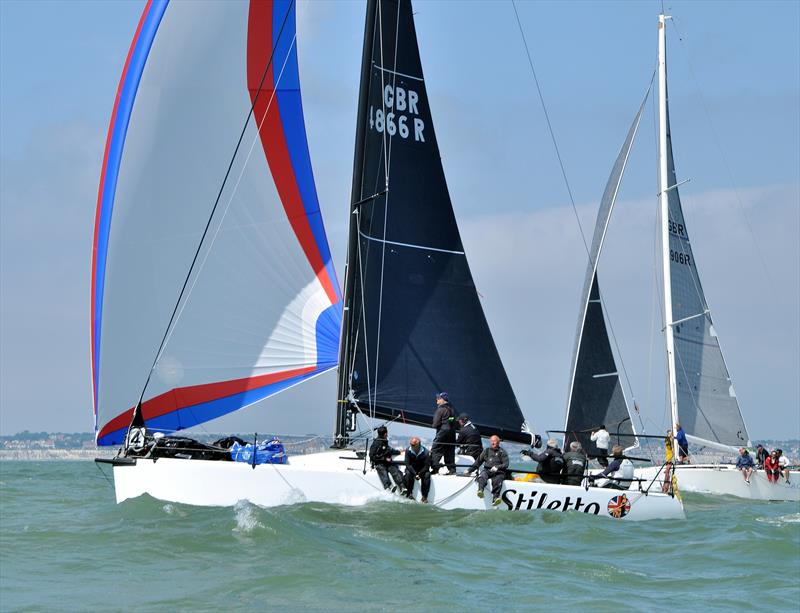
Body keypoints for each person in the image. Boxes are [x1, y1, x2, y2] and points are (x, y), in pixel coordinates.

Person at [467, 435, 509, 506]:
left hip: (498, 472)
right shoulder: (486, 451)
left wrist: (497, 467)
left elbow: (506, 464)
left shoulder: (502, 452)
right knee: (482, 475)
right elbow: (478, 462)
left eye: (494, 441)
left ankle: (495, 498)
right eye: (491, 441)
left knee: (498, 480)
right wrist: (469, 470)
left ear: (498, 442)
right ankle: (480, 490)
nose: (492, 443)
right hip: (487, 470)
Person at [369, 426, 404, 494]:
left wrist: (399, 452)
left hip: (387, 463)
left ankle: (402, 487)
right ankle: (388, 487)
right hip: (379, 463)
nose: (387, 434)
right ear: (385, 434)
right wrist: (384, 458)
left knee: (395, 471)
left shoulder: (384, 442)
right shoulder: (376, 443)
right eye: (387, 433)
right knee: (383, 471)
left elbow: (389, 450)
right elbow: (372, 456)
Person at [431, 392, 457, 474]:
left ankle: (435, 469)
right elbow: (451, 421)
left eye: (438, 398)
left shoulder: (440, 409)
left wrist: (438, 425)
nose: (437, 400)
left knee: (436, 449)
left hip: (443, 432)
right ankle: (452, 469)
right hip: (452, 433)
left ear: (443, 399)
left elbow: (435, 423)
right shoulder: (452, 410)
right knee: (449, 450)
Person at [403, 436, 431, 503]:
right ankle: (409, 494)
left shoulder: (426, 452)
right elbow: (407, 464)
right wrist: (415, 474)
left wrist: (420, 473)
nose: (412, 446)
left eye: (413, 445)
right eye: (411, 444)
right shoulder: (408, 450)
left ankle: (424, 497)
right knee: (407, 474)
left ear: (419, 444)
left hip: (422, 470)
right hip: (412, 469)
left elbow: (427, 466)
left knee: (427, 475)